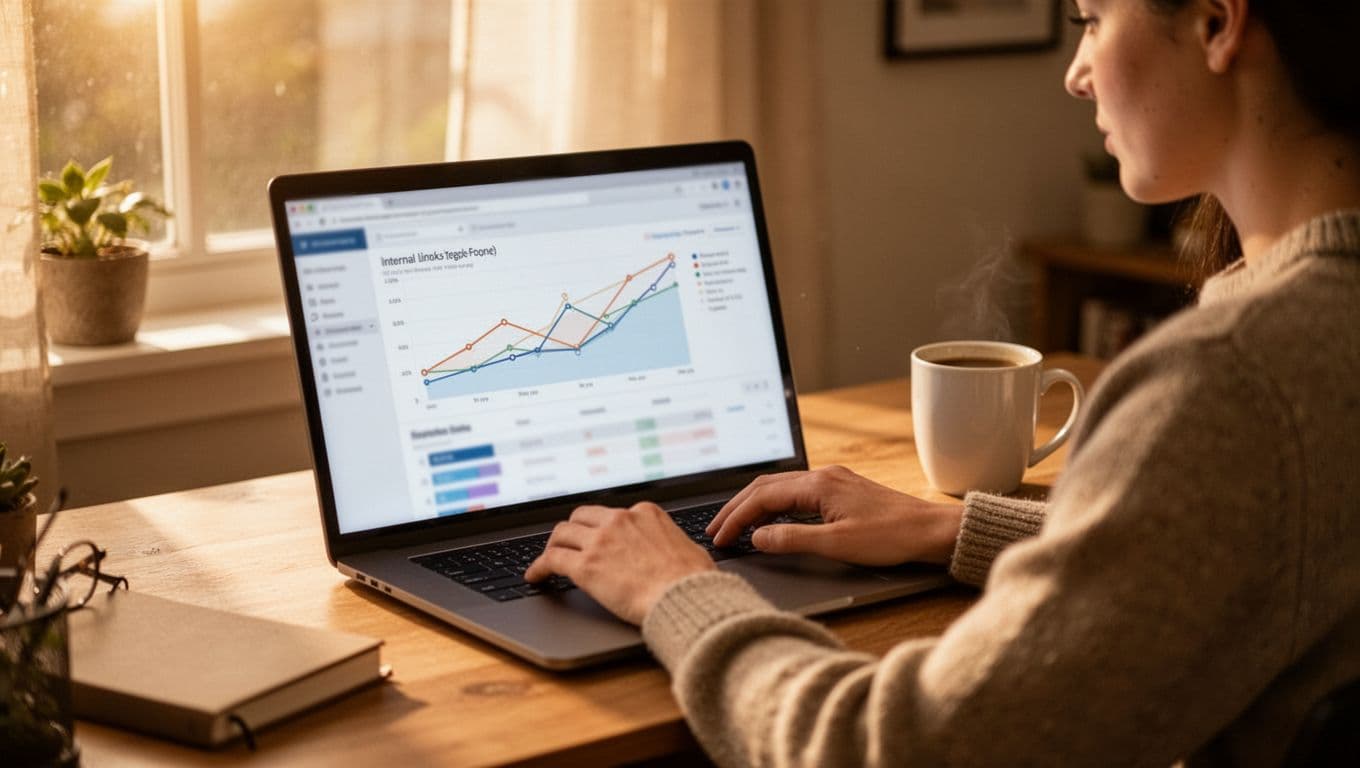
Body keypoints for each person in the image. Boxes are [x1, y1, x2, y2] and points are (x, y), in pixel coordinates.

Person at [525, 0, 1360, 764]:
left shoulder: (1231, 382)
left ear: (1218, 22)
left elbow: (895, 749)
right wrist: (951, 528)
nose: (1076, 71)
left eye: (1093, 18)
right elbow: (1247, 546)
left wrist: (681, 592)